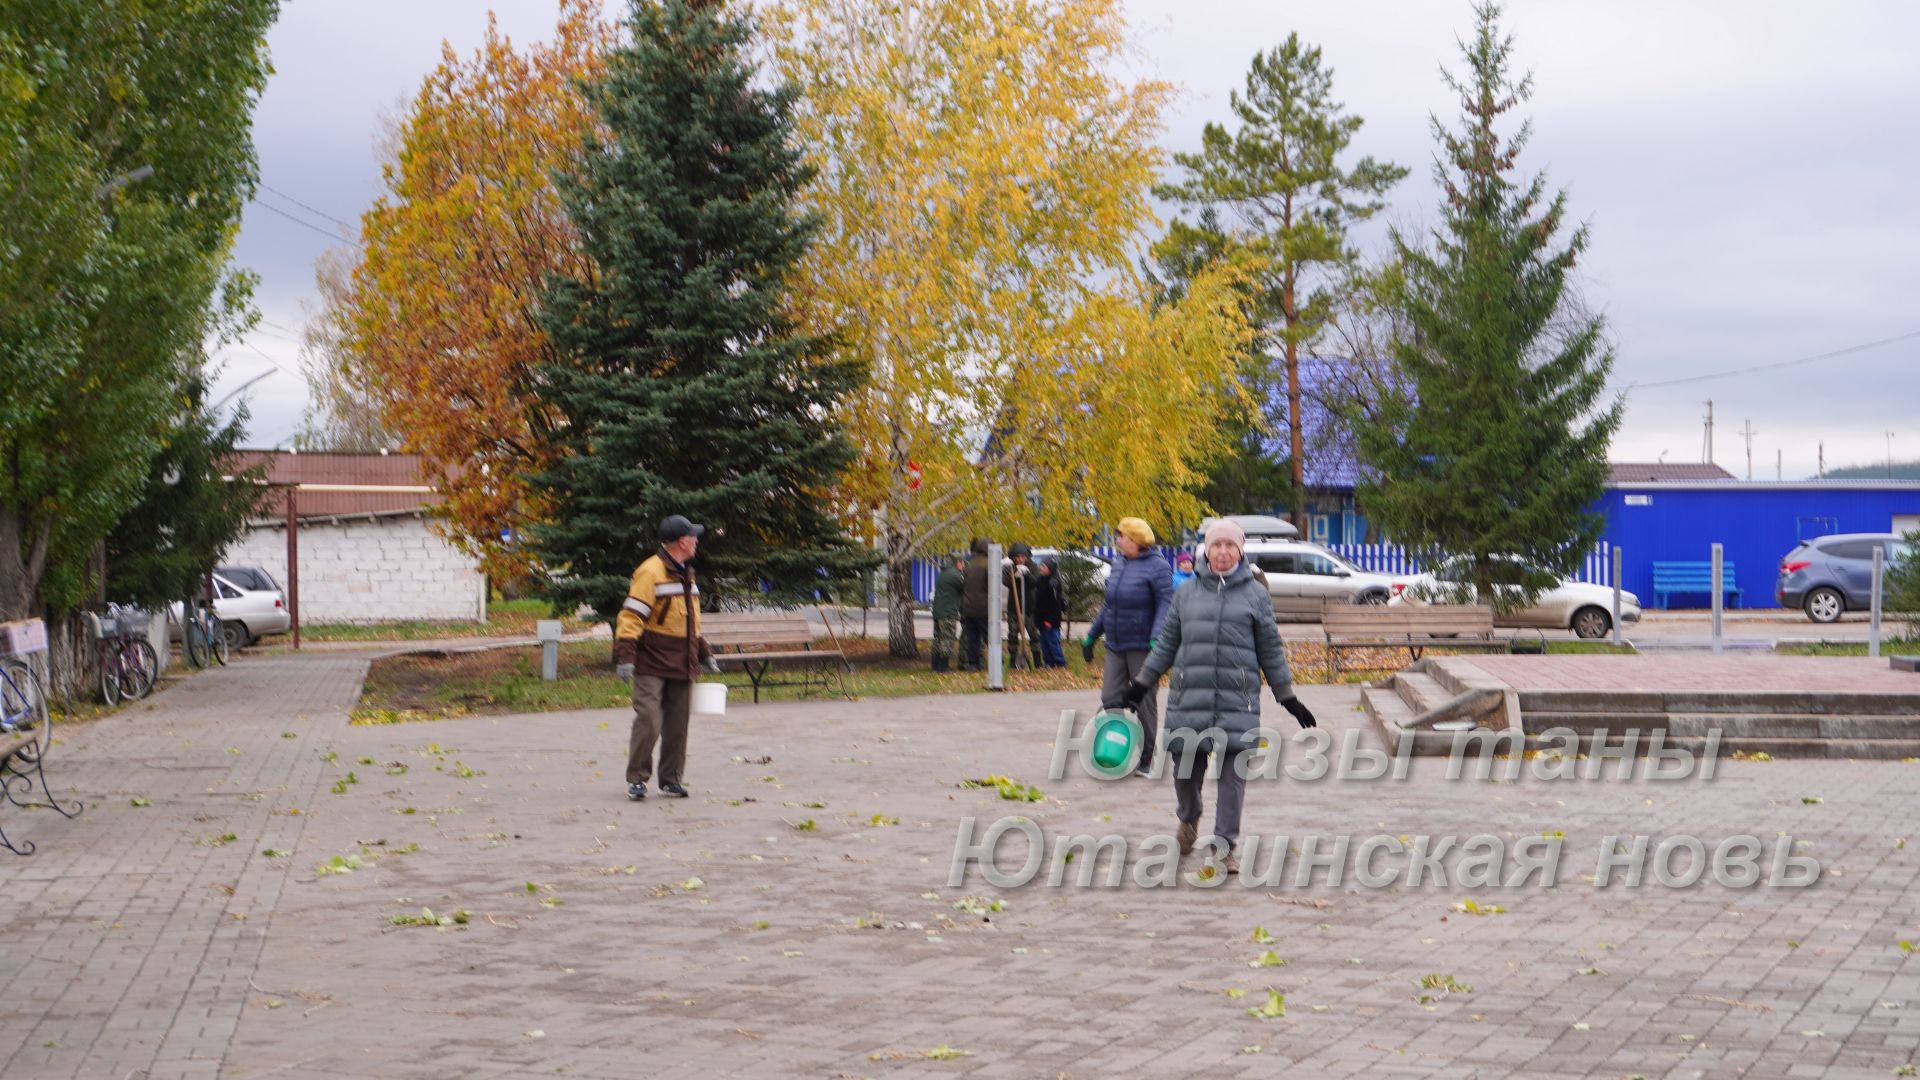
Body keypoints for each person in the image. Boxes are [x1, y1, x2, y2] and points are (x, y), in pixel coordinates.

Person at [1114, 518, 1316, 875]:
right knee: (1185, 773)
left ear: (1240, 551)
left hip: (1237, 701)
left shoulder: (1256, 595)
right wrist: (1141, 684)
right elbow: (1166, 645)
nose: (1222, 552)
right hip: (1189, 698)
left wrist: (1287, 698)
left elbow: (1271, 649)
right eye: (1216, 545)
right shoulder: (1186, 593)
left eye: (1230, 546)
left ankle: (1224, 846)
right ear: (1206, 549)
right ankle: (1189, 818)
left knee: (1232, 776)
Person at [614, 514, 722, 801]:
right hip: (651, 660)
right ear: (682, 542)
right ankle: (637, 779)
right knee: (649, 719)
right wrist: (625, 656)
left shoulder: (687, 571)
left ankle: (671, 780)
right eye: (693, 537)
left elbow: (691, 622)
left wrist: (704, 652)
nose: (697, 541)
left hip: (681, 659)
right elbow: (631, 616)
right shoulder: (650, 572)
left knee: (678, 724)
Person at [1083, 517, 1173, 775]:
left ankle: (1146, 758)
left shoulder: (1158, 567)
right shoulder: (1120, 563)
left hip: (1143, 645)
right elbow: (1109, 604)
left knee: (1143, 701)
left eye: (1122, 537)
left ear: (1136, 540)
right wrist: (1091, 635)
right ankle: (1119, 749)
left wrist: (1158, 636)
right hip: (1116, 643)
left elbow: (1166, 603)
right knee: (1110, 697)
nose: (1118, 541)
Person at [1004, 542, 1042, 669]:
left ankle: (1037, 661)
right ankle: (1013, 660)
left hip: (1030, 607)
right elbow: (1006, 582)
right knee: (1013, 635)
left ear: (1027, 556)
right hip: (1014, 607)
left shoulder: (1032, 566)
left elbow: (1036, 582)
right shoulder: (1010, 567)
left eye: (1022, 557)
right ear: (1013, 557)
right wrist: (1013, 575)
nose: (1020, 559)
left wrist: (1026, 574)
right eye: (1017, 557)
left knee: (1033, 634)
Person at [930, 552, 965, 673]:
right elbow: (964, 587)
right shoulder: (955, 575)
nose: (964, 566)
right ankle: (943, 666)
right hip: (948, 612)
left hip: (938, 611)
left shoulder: (943, 573)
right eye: (962, 563)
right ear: (958, 563)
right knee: (947, 638)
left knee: (937, 638)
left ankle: (935, 664)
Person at [960, 538, 991, 672]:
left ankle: (974, 664)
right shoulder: (988, 565)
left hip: (968, 607)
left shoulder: (970, 565)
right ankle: (997, 662)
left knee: (973, 638)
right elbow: (992, 586)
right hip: (983, 607)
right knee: (990, 636)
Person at [1032, 555, 1068, 667]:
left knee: (1053, 642)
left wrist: (1050, 620)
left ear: (1050, 569)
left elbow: (1055, 604)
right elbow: (1038, 600)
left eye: (1043, 566)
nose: (1040, 568)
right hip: (1041, 618)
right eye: (1041, 565)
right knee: (1044, 642)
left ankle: (1060, 662)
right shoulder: (1040, 580)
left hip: (1050, 620)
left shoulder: (1054, 583)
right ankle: (1049, 662)